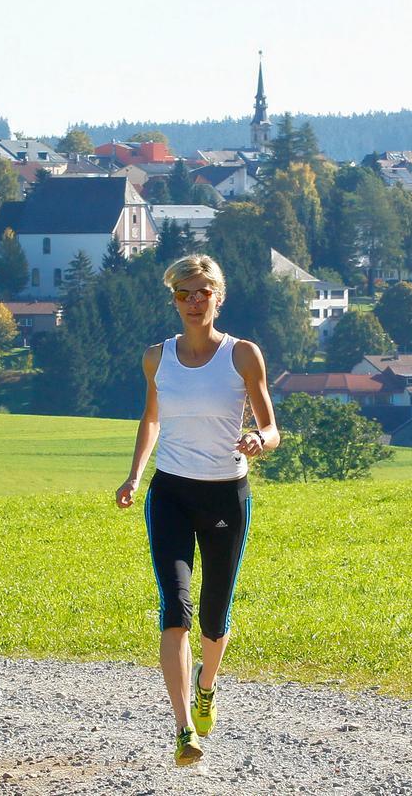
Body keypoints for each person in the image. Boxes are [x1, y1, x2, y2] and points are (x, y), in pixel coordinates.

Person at [116, 253, 278, 767]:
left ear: (218, 297)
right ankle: (184, 727)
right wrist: (136, 474)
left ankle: (208, 684)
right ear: (174, 300)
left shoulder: (243, 356)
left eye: (201, 293)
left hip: (226, 494)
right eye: (183, 294)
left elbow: (272, 429)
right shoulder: (155, 357)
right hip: (170, 494)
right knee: (175, 610)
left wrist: (258, 437)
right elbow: (151, 419)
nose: (191, 302)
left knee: (214, 616)